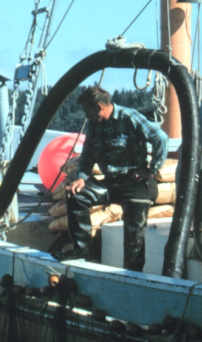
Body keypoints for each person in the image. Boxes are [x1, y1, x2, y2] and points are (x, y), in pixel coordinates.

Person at [60, 85, 167, 272]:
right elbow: (87, 155)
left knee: (134, 234)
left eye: (87, 111)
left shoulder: (130, 118)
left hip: (135, 183)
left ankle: (132, 274)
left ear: (99, 107)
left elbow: (160, 138)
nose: (87, 117)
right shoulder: (95, 124)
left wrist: (151, 170)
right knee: (76, 196)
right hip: (111, 183)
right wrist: (82, 178)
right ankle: (81, 250)